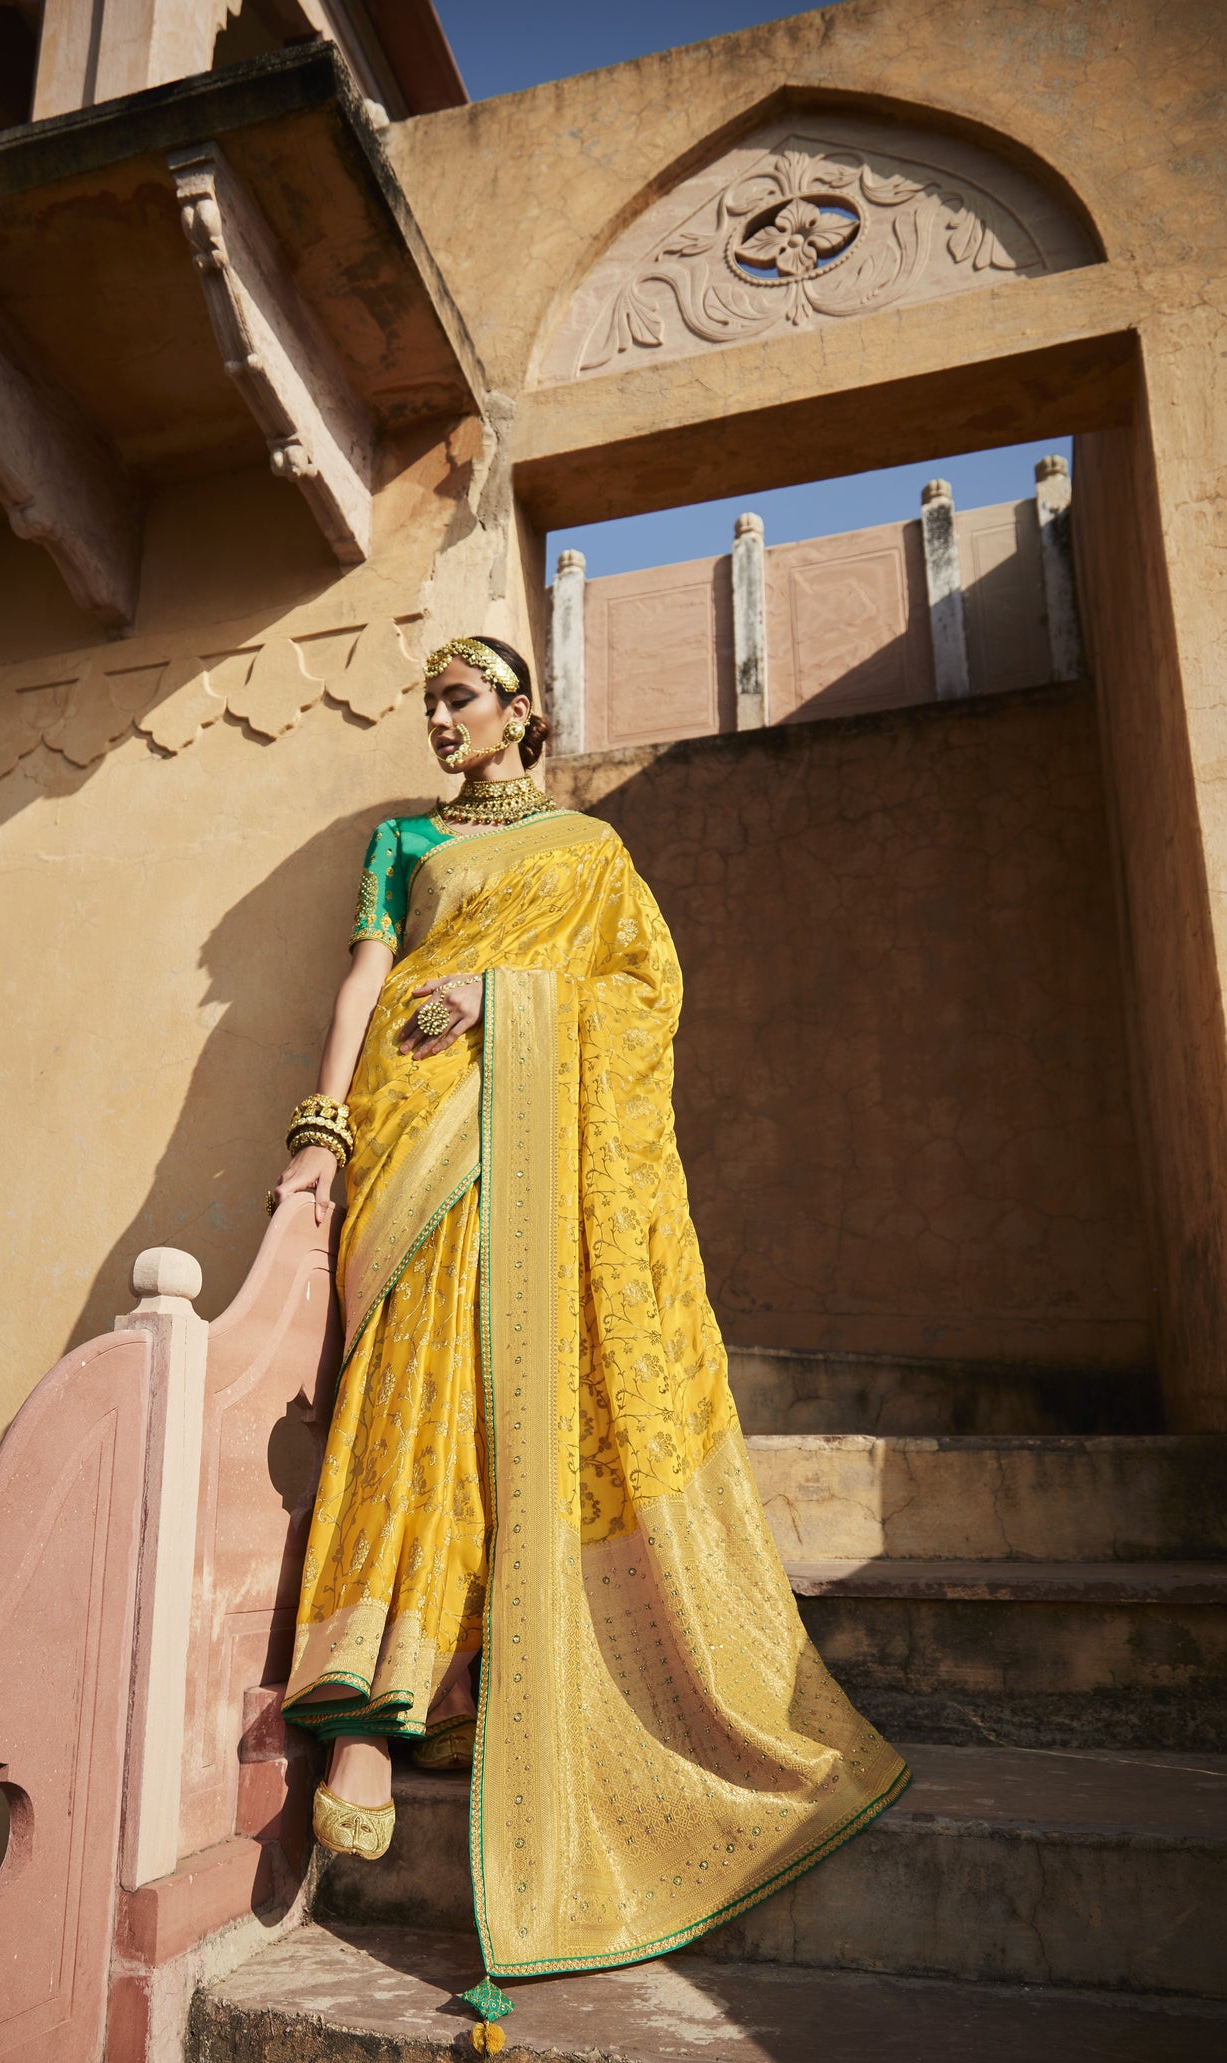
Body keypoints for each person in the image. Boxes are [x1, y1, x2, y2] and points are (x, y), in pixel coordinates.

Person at [273, 633, 908, 1987]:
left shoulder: (590, 854)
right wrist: (322, 1133)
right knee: (410, 1391)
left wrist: (506, 993)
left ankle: (489, 1670)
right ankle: (364, 1715)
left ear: (519, 711)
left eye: (460, 696)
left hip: (529, 1131)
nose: (440, 719)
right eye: (428, 700)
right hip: (415, 1128)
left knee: (514, 1395)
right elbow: (360, 983)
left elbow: (642, 996)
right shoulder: (401, 842)